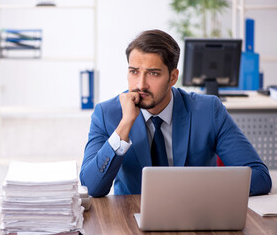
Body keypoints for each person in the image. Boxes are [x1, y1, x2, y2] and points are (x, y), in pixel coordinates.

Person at [80, 29, 272, 198]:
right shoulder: (106, 114)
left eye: (153, 73)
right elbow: (91, 187)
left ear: (173, 77)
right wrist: (124, 125)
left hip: (196, 216)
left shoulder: (208, 111)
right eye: (134, 72)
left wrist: (191, 192)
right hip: (131, 219)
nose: (140, 84)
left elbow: (259, 177)